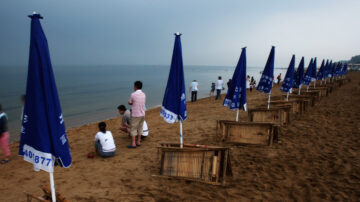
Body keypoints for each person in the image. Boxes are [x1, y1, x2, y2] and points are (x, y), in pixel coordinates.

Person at [128, 81, 146, 148]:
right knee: (140, 128)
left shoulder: (133, 94)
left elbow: (130, 102)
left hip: (136, 114)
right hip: (142, 113)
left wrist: (130, 103)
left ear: (135, 86)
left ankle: (133, 143)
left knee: (133, 128)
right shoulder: (144, 94)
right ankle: (138, 141)